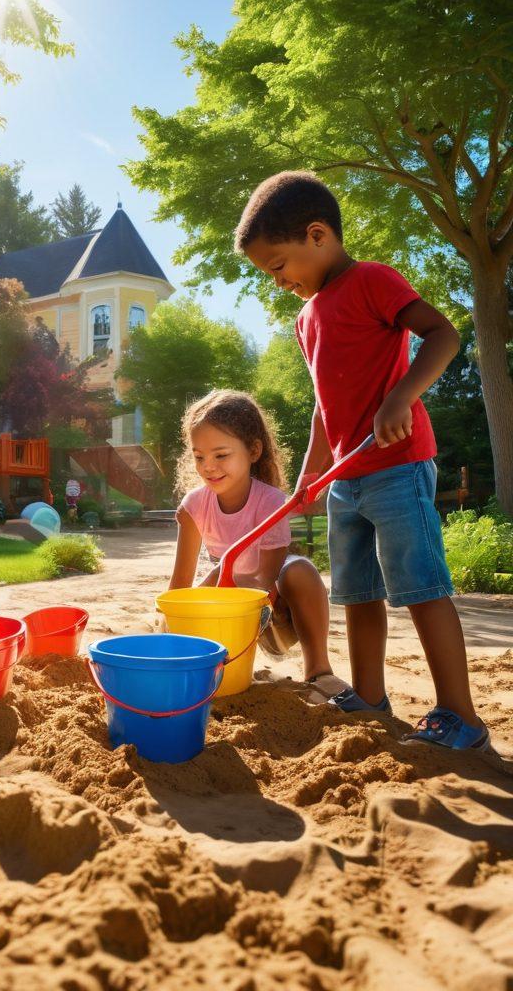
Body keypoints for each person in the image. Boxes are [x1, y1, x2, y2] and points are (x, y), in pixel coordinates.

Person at [236, 170, 489, 751]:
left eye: (279, 266)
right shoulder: (305, 319)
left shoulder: (372, 281)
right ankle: (371, 699)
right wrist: (309, 473)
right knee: (357, 592)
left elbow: (442, 335)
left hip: (397, 465)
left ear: (318, 235)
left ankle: (461, 716)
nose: (277, 281)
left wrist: (403, 395)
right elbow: (327, 406)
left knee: (420, 585)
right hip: (346, 477)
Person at [170, 388, 350, 703]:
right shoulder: (194, 507)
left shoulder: (270, 502)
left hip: (274, 608)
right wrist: (168, 643)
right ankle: (202, 666)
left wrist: (235, 608)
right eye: (199, 457)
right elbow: (179, 588)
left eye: (221, 455)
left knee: (301, 570)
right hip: (231, 597)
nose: (208, 466)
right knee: (204, 587)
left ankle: (319, 670)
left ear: (253, 450)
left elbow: (263, 581)